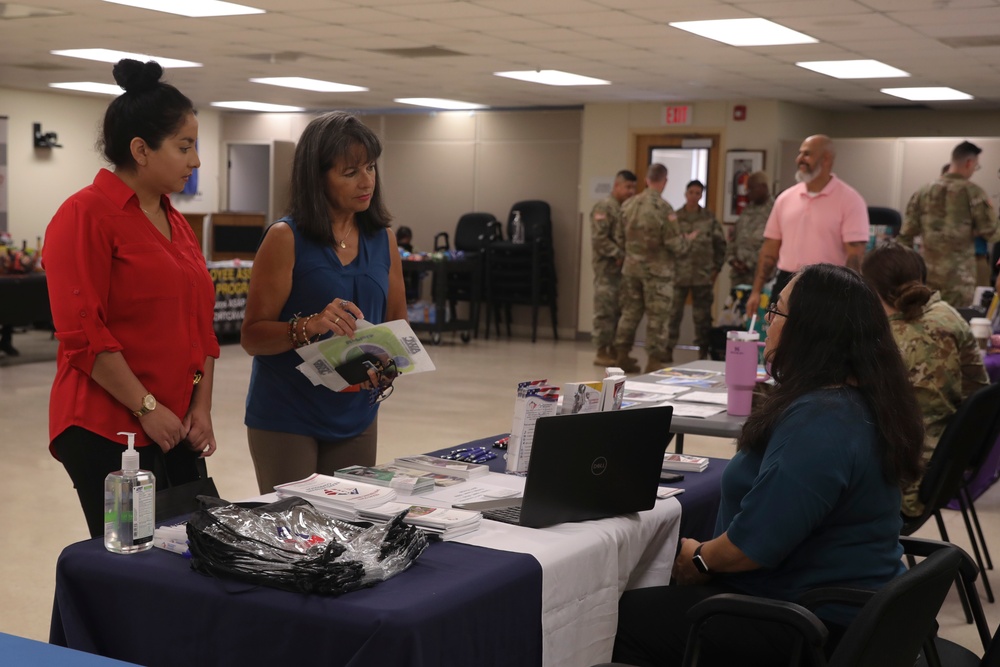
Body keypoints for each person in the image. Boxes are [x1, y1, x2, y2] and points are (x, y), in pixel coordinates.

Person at [612, 264, 923, 667]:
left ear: (809, 331)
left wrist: (700, 558)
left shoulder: (821, 421)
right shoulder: (865, 399)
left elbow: (751, 547)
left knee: (616, 619)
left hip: (807, 628)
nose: (767, 324)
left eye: (776, 312)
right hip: (854, 611)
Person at [43, 59, 219, 538]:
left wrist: (199, 407)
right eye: (185, 147)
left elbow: (200, 328)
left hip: (174, 424)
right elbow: (84, 336)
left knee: (190, 549)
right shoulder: (85, 216)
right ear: (141, 149)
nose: (196, 160)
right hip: (106, 427)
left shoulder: (175, 221)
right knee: (130, 558)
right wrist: (146, 408)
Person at [241, 111, 407, 494]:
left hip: (357, 414)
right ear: (317, 178)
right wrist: (309, 326)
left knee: (348, 532)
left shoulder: (384, 239)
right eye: (350, 172)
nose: (367, 181)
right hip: (288, 413)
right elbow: (252, 336)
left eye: (370, 167)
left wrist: (388, 363)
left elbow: (397, 324)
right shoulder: (286, 238)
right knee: (298, 537)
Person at [862, 242, 988, 517]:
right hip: (946, 465)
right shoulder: (950, 317)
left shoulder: (885, 341)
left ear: (872, 291)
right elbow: (979, 389)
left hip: (903, 481)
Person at [746, 135, 869, 314]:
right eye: (800, 153)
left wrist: (851, 297)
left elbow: (855, 256)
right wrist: (756, 291)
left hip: (828, 285)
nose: (799, 159)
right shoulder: (785, 199)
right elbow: (769, 249)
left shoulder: (850, 200)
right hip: (786, 281)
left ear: (826, 158)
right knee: (779, 339)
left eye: (807, 154)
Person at [612, 164, 696, 373]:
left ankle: (622, 354)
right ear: (664, 181)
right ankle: (653, 360)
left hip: (631, 269)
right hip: (657, 272)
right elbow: (673, 244)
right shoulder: (664, 208)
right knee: (658, 316)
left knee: (629, 313)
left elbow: (619, 238)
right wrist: (687, 241)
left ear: (647, 179)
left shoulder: (628, 205)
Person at [899, 140, 999, 308]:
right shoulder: (973, 192)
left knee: (929, 320)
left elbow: (905, 236)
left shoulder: (923, 192)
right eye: (976, 166)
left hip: (927, 275)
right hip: (959, 279)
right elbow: (991, 233)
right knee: (957, 323)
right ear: (969, 163)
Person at [667, 180, 726, 361]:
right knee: (672, 314)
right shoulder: (674, 218)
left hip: (703, 275)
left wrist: (716, 268)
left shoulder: (708, 218)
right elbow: (668, 244)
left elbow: (720, 244)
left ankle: (703, 351)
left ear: (701, 195)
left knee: (702, 317)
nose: (694, 196)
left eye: (698, 193)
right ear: (685, 194)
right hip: (678, 275)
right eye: (691, 192)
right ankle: (667, 349)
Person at [591, 169, 637, 366]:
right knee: (605, 311)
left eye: (634, 187)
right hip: (607, 270)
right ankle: (602, 351)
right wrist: (619, 255)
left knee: (619, 311)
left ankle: (615, 351)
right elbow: (600, 239)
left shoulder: (627, 208)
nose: (631, 191)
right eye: (627, 187)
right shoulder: (604, 207)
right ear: (617, 186)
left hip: (624, 272)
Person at [727, 171, 773, 288]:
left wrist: (748, 264)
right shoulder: (747, 209)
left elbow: (772, 244)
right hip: (739, 276)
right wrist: (732, 259)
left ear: (763, 187)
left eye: (751, 189)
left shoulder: (774, 210)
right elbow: (735, 236)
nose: (748, 194)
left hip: (760, 276)